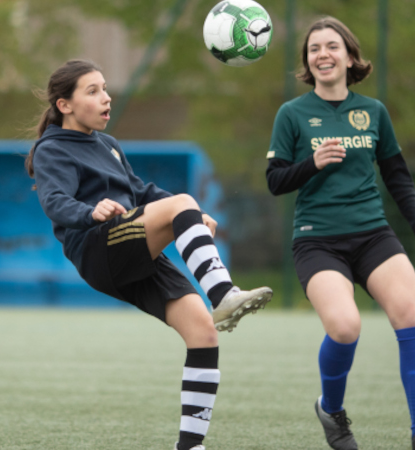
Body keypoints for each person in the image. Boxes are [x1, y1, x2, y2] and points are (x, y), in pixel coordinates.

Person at [25, 60, 273, 450]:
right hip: (95, 247)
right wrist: (90, 212)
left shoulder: (108, 145)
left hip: (129, 250)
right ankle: (223, 294)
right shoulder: (51, 148)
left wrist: (192, 215)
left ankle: (191, 445)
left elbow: (141, 193)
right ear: (64, 105)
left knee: (204, 333)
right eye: (92, 91)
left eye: (105, 88)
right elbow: (55, 202)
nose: (106, 97)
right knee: (182, 203)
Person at [266, 17, 415, 450]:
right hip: (317, 239)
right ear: (308, 62)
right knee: (345, 327)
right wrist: (313, 162)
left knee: (409, 313)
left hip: (373, 235)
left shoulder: (374, 112)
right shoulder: (292, 114)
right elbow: (274, 181)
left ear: (350, 56)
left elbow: (398, 177)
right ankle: (332, 410)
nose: (322, 54)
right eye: (314, 49)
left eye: (331, 46)